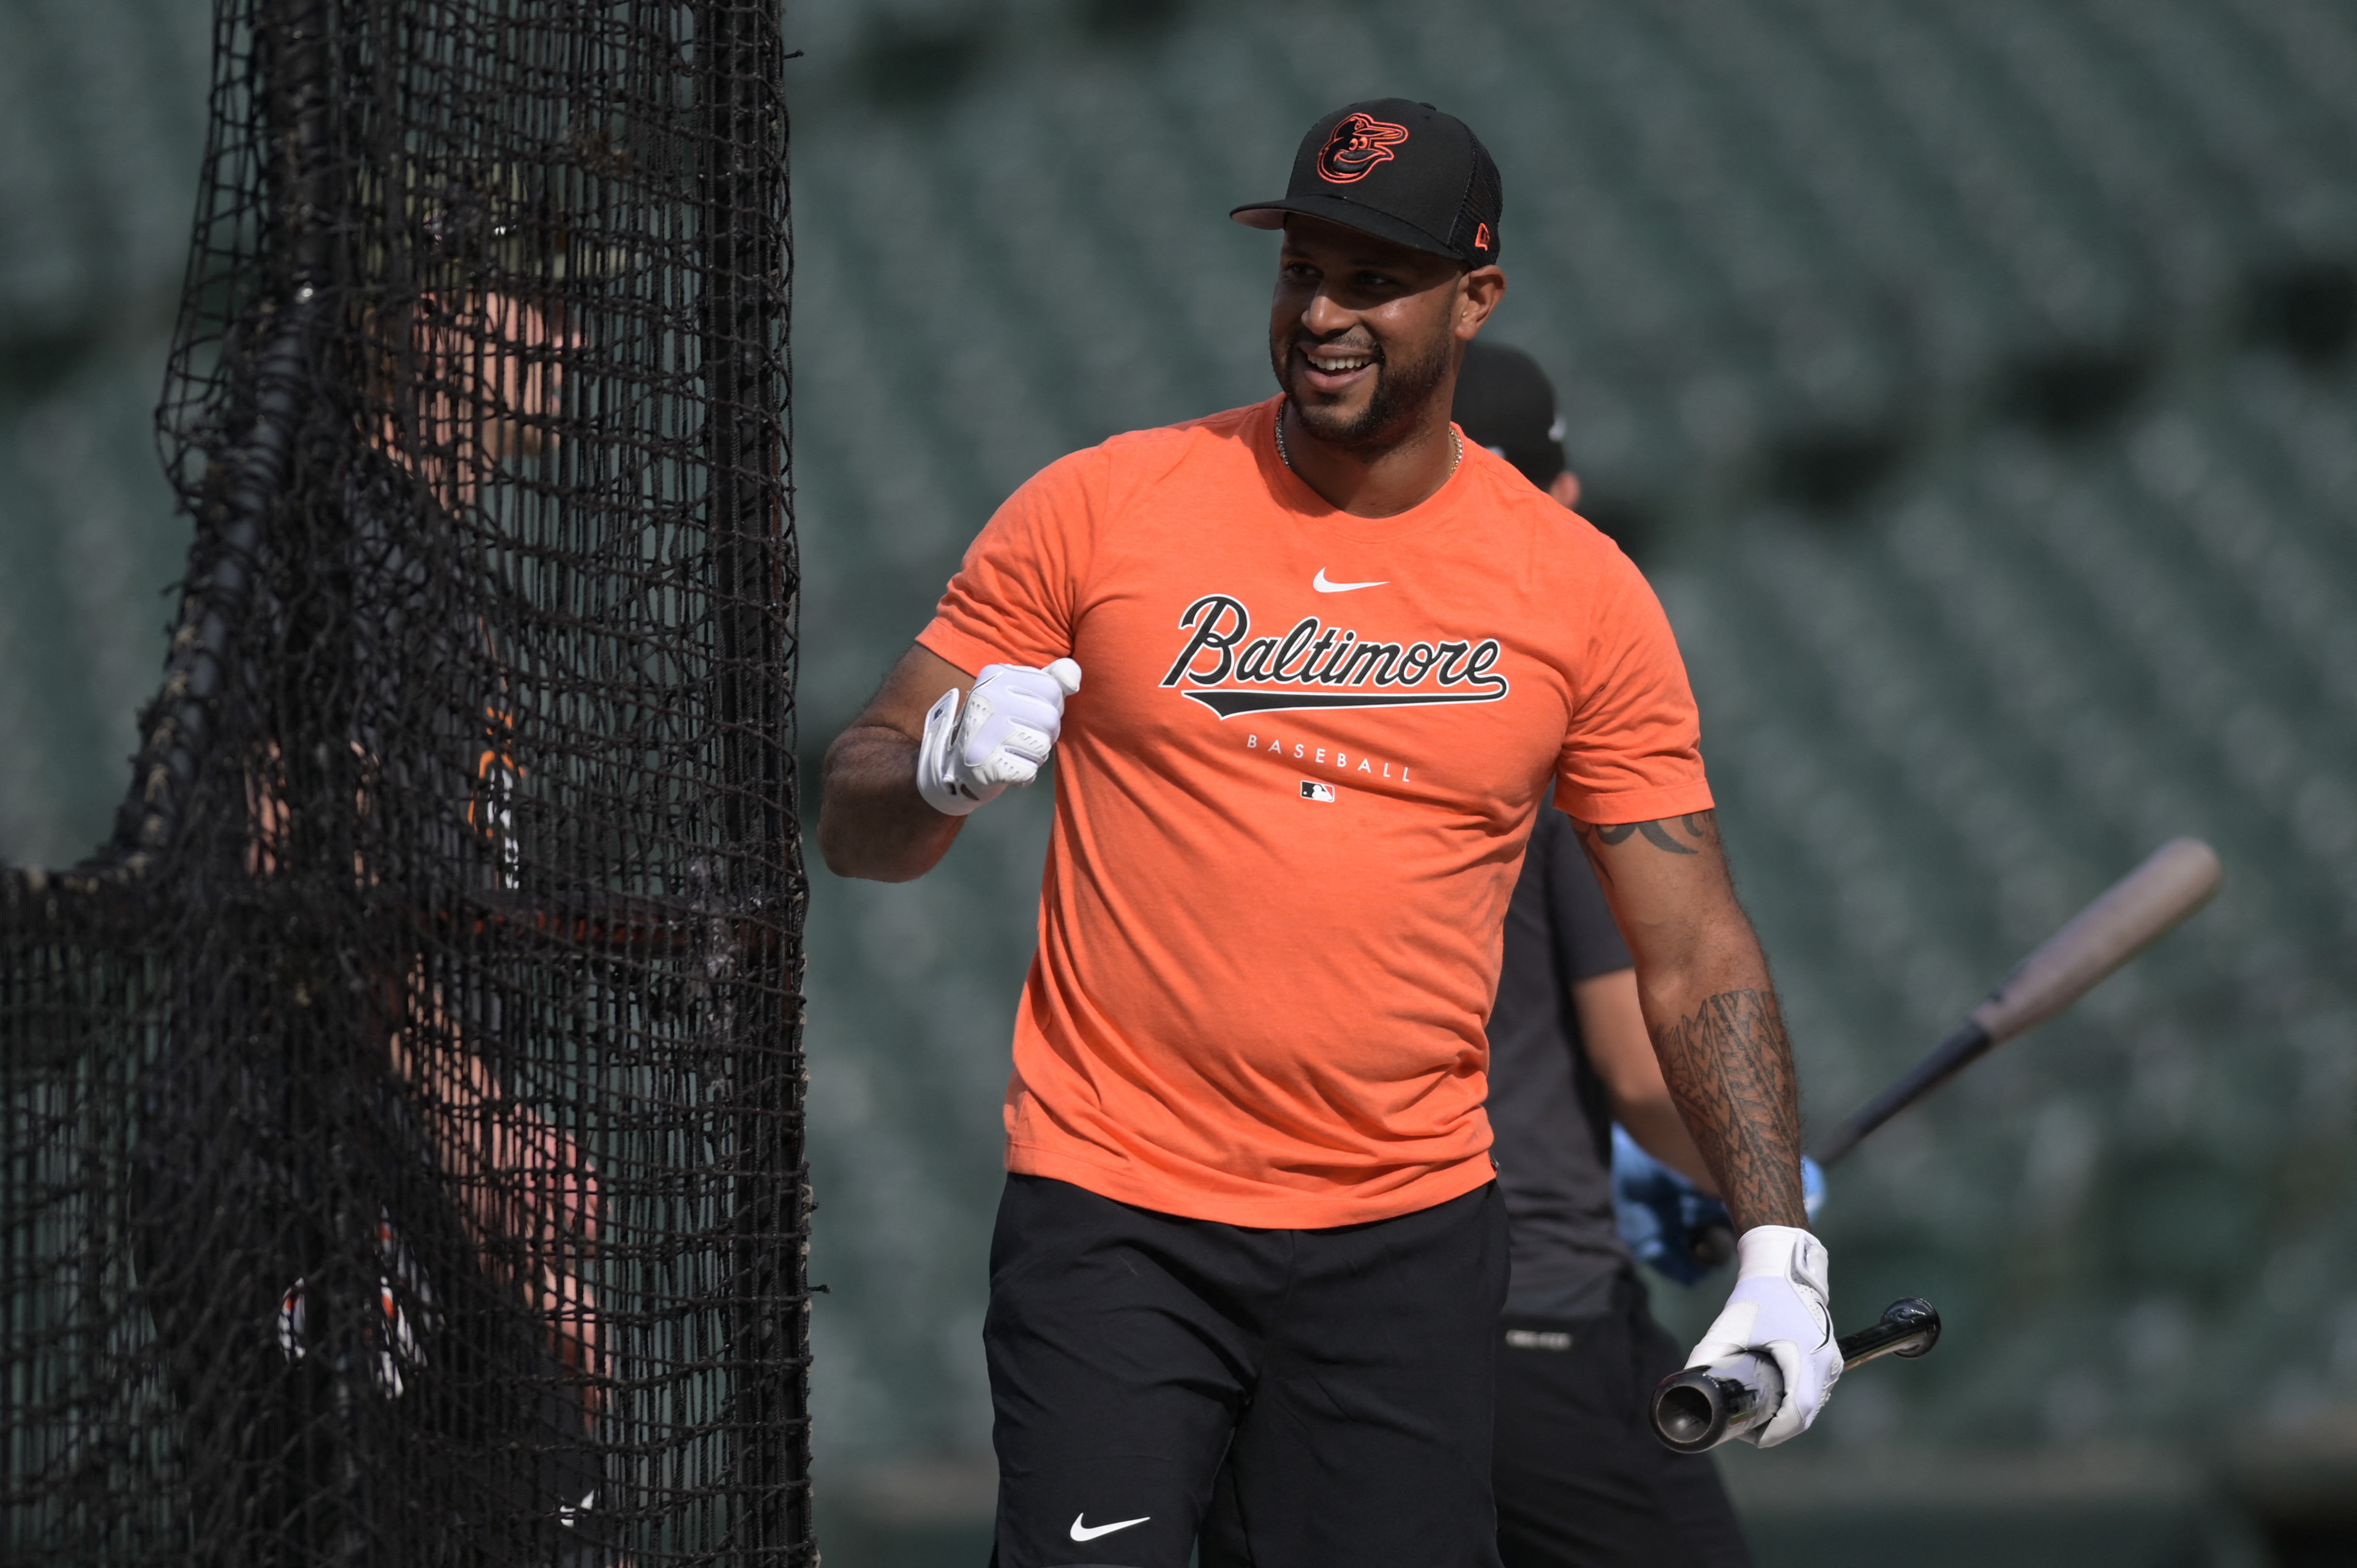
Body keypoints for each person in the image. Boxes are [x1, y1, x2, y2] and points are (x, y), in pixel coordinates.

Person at [820, 100, 1840, 1568]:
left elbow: (1690, 946)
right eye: (1303, 269)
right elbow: (858, 829)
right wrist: (933, 766)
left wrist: (1773, 1244)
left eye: (1374, 280)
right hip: (1116, 1213)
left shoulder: (1581, 594)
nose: (1322, 313)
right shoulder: (1099, 507)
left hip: (1403, 1243)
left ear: (1474, 301)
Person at [133, 272, 614, 1567]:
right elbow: (305, 854)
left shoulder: (415, 549)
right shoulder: (358, 539)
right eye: (539, 296)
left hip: (398, 1166)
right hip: (302, 1167)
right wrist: (485, 1145)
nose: (575, 335)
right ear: (421, 306)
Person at [1456, 338, 1752, 1568]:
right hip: (1530, 1317)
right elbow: (1642, 1065)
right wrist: (1754, 1194)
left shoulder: (1313, 683)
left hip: (1317, 1323)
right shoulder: (1558, 697)